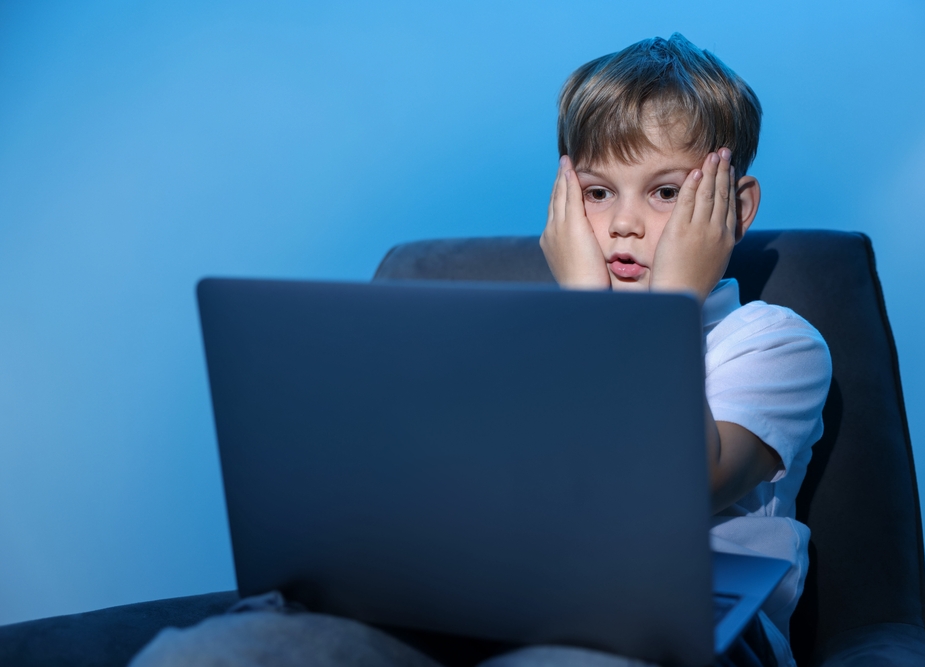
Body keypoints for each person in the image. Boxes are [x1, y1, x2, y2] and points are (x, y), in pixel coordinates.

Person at [131, 34, 831, 667]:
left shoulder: (772, 342)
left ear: (736, 208)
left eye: (665, 193)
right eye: (595, 191)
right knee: (222, 651)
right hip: (507, 601)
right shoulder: (517, 344)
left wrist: (656, 304)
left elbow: (678, 487)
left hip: (689, 630)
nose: (621, 223)